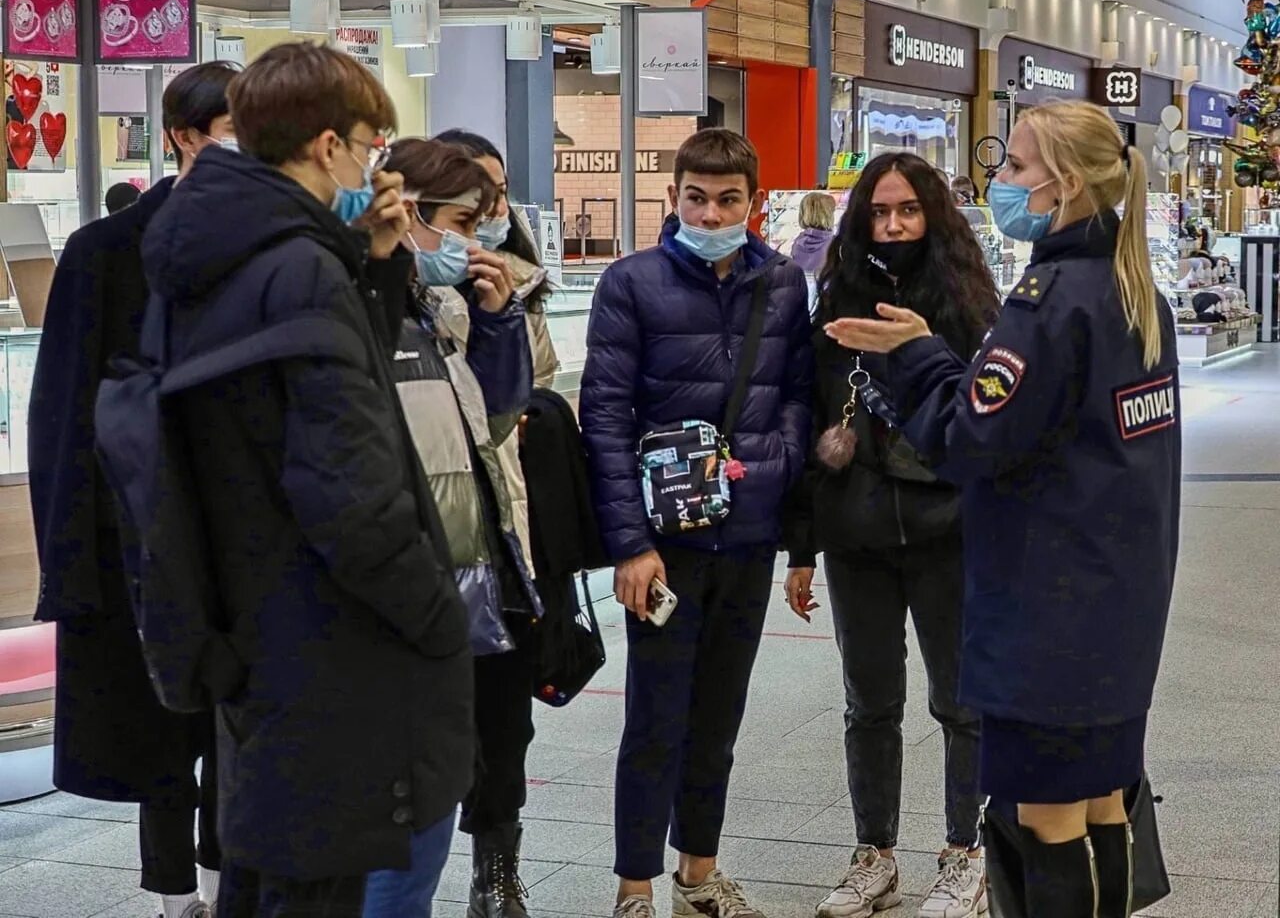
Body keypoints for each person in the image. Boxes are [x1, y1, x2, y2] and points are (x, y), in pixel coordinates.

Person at [139, 43, 473, 917]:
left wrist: (371, 264)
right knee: (323, 882)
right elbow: (347, 485)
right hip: (329, 642)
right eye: (370, 143)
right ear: (328, 147)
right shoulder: (296, 269)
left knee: (274, 874)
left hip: (256, 625)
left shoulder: (218, 250)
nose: (375, 163)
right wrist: (437, 614)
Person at [825, 100, 1179, 918]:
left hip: (1045, 611)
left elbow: (971, 441)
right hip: (1120, 603)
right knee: (1103, 806)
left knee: (1044, 819)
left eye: (1017, 168)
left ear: (1062, 186)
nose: (1003, 183)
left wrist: (915, 360)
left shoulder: (1049, 302)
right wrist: (944, 356)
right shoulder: (1134, 294)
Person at [579, 128, 813, 918]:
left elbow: (797, 395)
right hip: (666, 544)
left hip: (745, 536)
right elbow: (604, 419)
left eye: (728, 200)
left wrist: (777, 466)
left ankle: (697, 878)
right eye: (696, 198)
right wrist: (630, 545)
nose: (711, 213)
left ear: (753, 203)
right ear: (673, 197)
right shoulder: (630, 283)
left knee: (717, 719)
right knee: (654, 717)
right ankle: (634, 889)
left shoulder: (783, 284)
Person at [27, 61, 239, 918]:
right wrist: (68, 560)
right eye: (233, 132)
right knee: (162, 722)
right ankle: (171, 894)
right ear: (185, 136)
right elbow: (63, 414)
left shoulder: (276, 246)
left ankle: (232, 884)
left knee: (241, 724)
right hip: (142, 531)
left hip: (246, 532)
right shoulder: (105, 252)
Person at [784, 152, 999, 918]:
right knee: (868, 703)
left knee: (960, 702)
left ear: (932, 215)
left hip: (950, 529)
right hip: (857, 532)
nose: (895, 225)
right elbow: (811, 422)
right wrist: (803, 550)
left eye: (908, 210)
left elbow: (991, 421)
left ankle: (965, 854)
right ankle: (873, 852)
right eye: (880, 212)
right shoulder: (837, 298)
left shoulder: (970, 302)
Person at [378, 136, 538, 918]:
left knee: (489, 738)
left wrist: (500, 315)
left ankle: (493, 872)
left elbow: (499, 416)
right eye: (461, 220)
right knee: (407, 806)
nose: (472, 240)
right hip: (406, 581)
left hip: (475, 559)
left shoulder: (441, 304)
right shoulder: (364, 306)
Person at [431, 128, 561, 561]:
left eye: (502, 194)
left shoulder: (521, 282)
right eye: (479, 201)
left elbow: (541, 375)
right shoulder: (416, 295)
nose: (498, 210)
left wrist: (528, 414)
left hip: (518, 484)